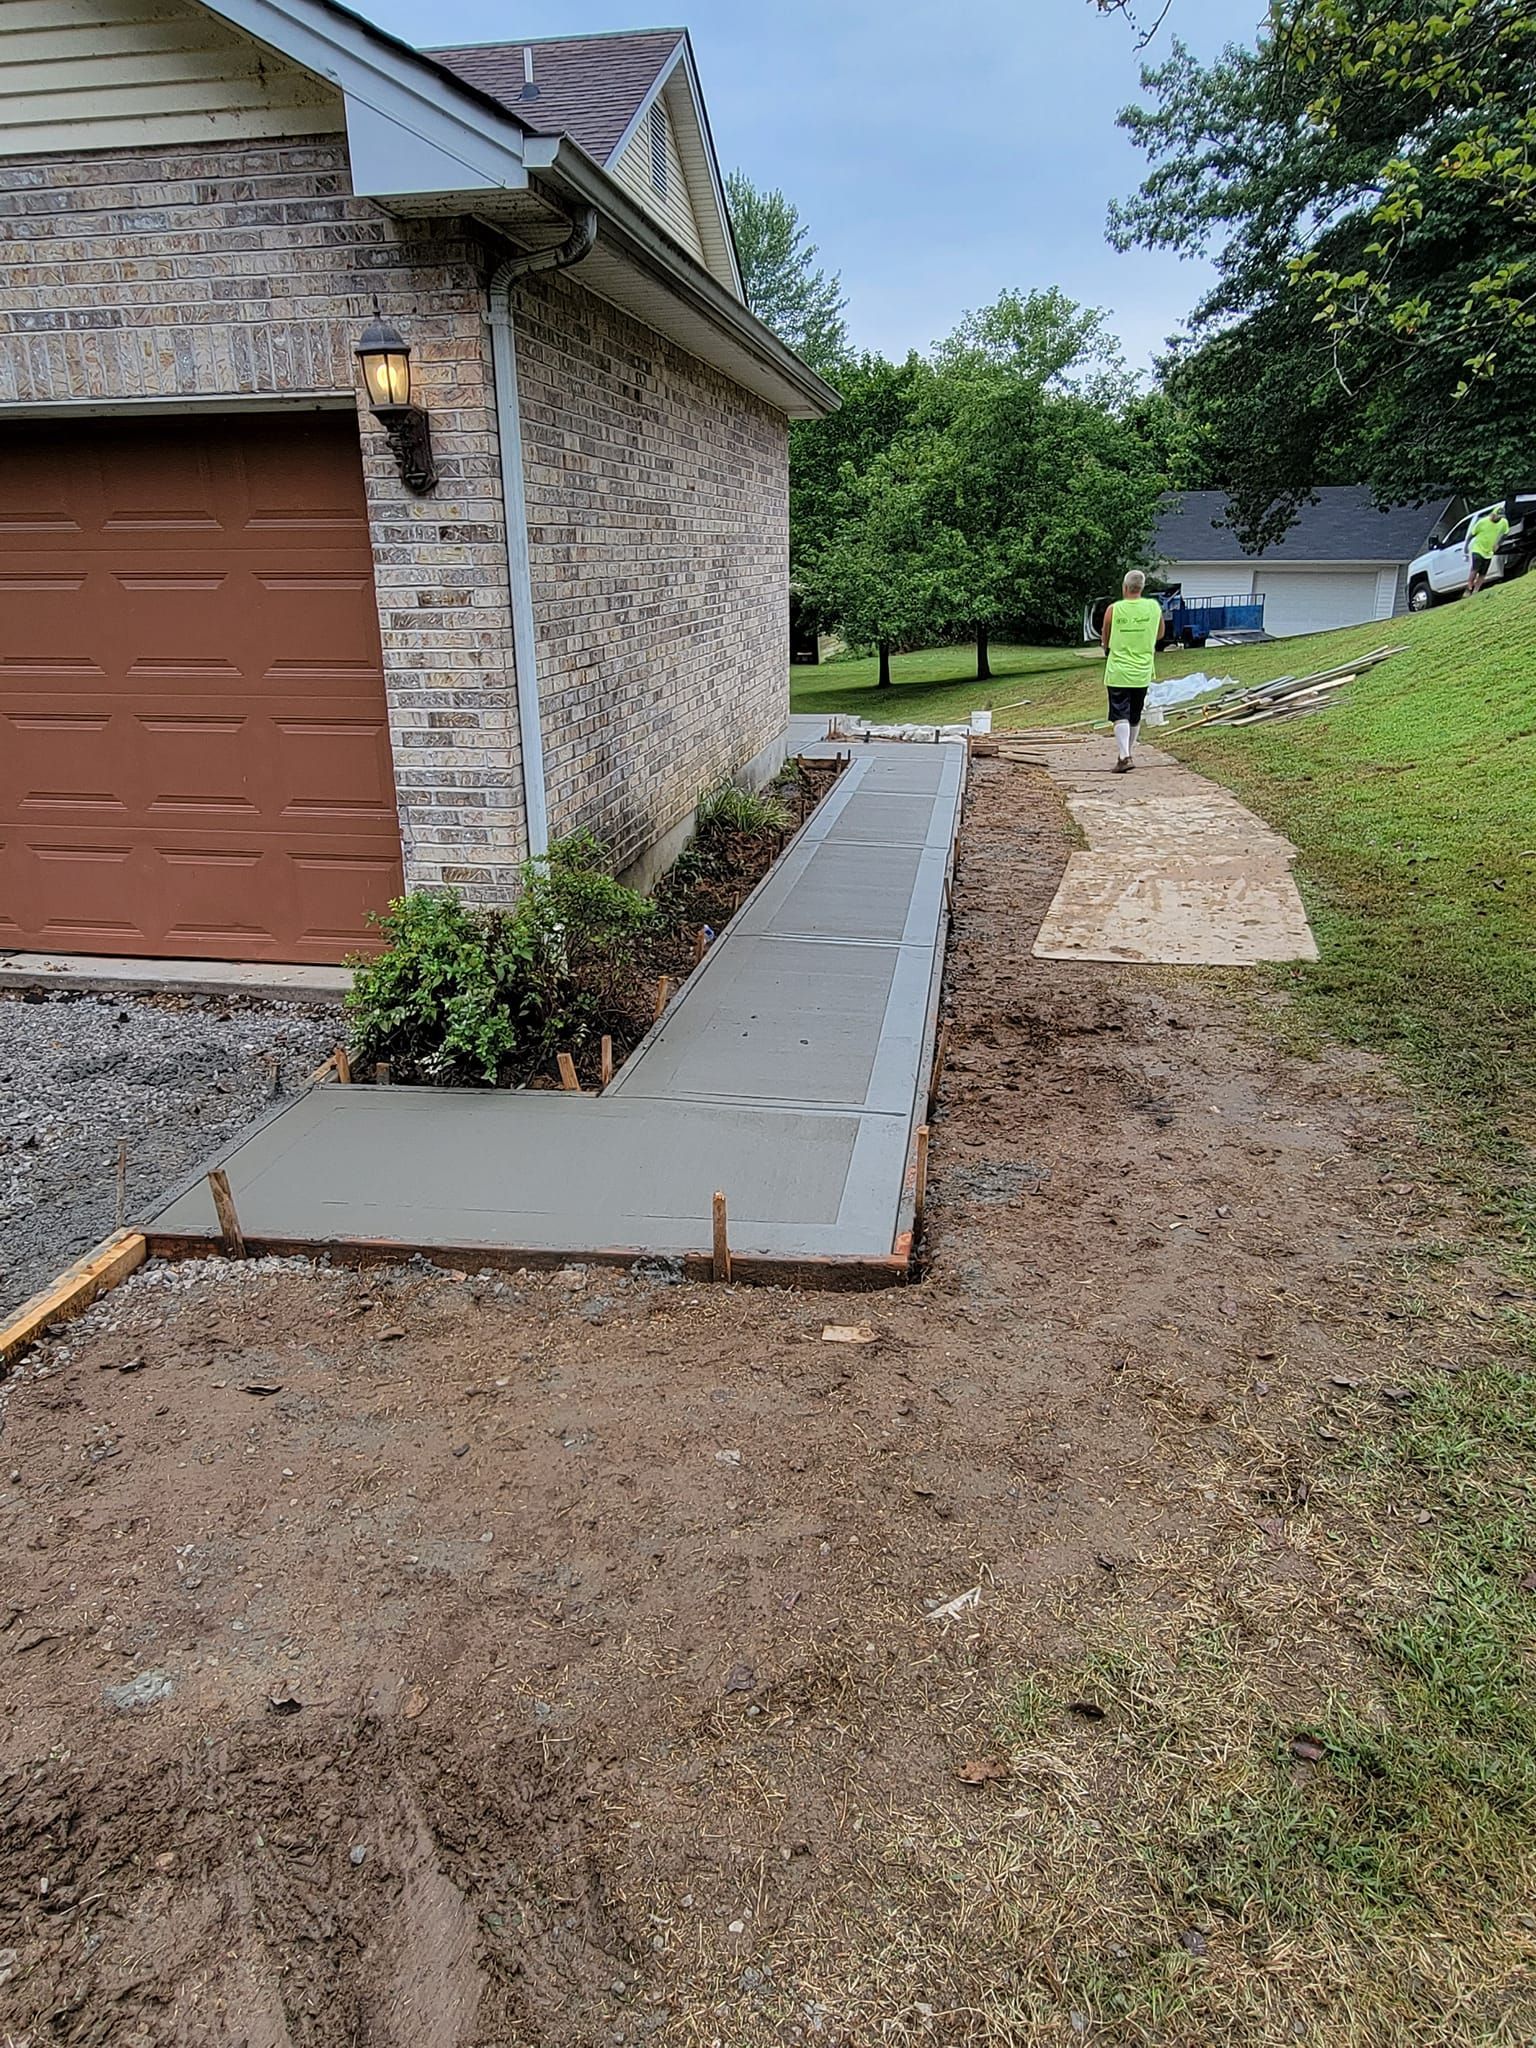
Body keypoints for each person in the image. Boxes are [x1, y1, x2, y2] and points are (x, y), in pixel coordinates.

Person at [1099, 570, 1168, 773]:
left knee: (1119, 712)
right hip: (1143, 669)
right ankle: (1128, 752)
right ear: (1142, 587)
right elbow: (1161, 633)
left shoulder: (1114, 609)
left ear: (1125, 587)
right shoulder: (1154, 607)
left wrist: (1108, 647)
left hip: (1118, 669)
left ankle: (1124, 756)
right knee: (1135, 714)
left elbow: (1106, 638)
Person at [1468, 504, 1510, 594]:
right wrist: (1465, 547)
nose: (1499, 519)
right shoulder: (1482, 522)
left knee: (1483, 573)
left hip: (1489, 551)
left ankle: (1476, 591)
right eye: (1497, 516)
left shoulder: (1503, 522)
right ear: (1493, 514)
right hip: (1478, 548)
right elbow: (1471, 535)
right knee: (1475, 568)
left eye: (1501, 517)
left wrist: (1498, 543)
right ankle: (1469, 587)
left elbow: (1506, 533)